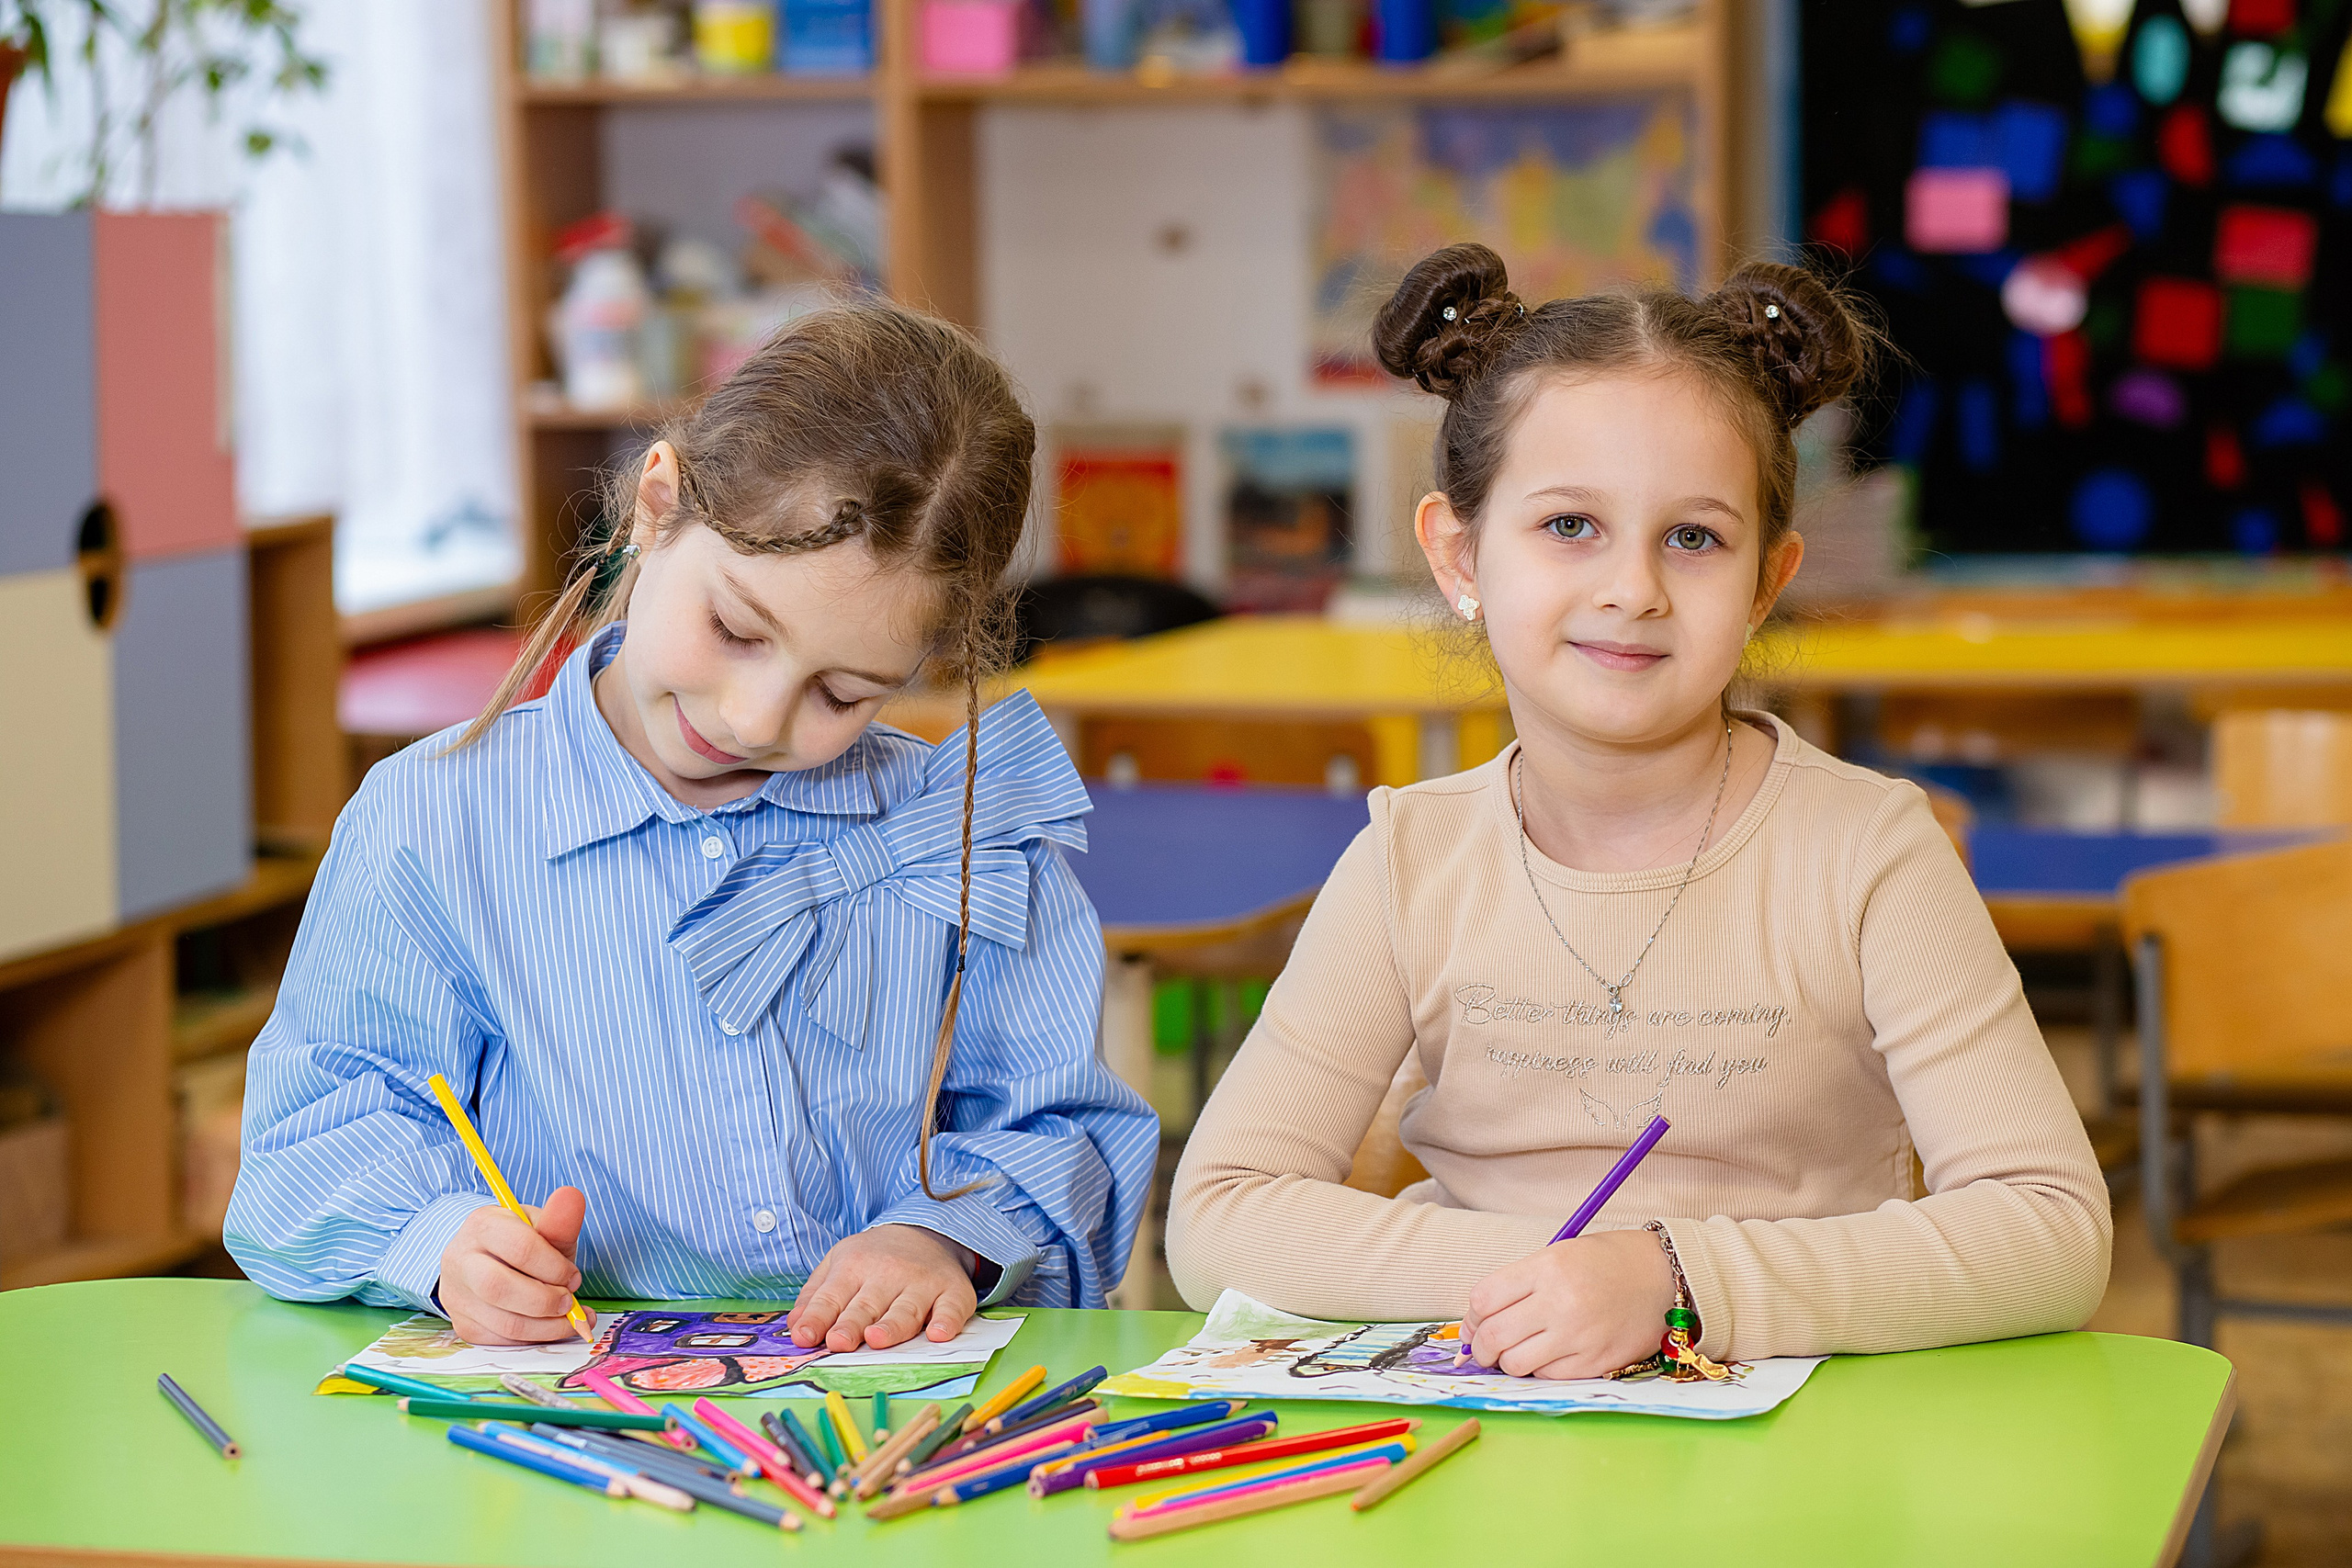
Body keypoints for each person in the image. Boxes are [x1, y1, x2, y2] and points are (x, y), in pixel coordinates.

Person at [1165, 244, 2109, 1377]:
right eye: (1570, 525)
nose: (1633, 590)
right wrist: (1556, 1281)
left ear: (1765, 584)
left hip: (1802, 1437)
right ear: (1460, 556)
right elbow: (1217, 1217)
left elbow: (2051, 1230)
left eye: (1693, 538)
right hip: (1494, 1434)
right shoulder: (1410, 861)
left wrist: (1673, 1282)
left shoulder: (1870, 853)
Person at [228, 301, 1157, 1350]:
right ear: (657, 506)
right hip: (562, 1415)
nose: (755, 720)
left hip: (885, 1413)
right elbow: (312, 1140)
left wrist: (939, 1239)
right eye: (735, 628)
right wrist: (443, 1245)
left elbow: (1062, 1130)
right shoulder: (432, 821)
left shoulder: (962, 826)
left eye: (844, 693)